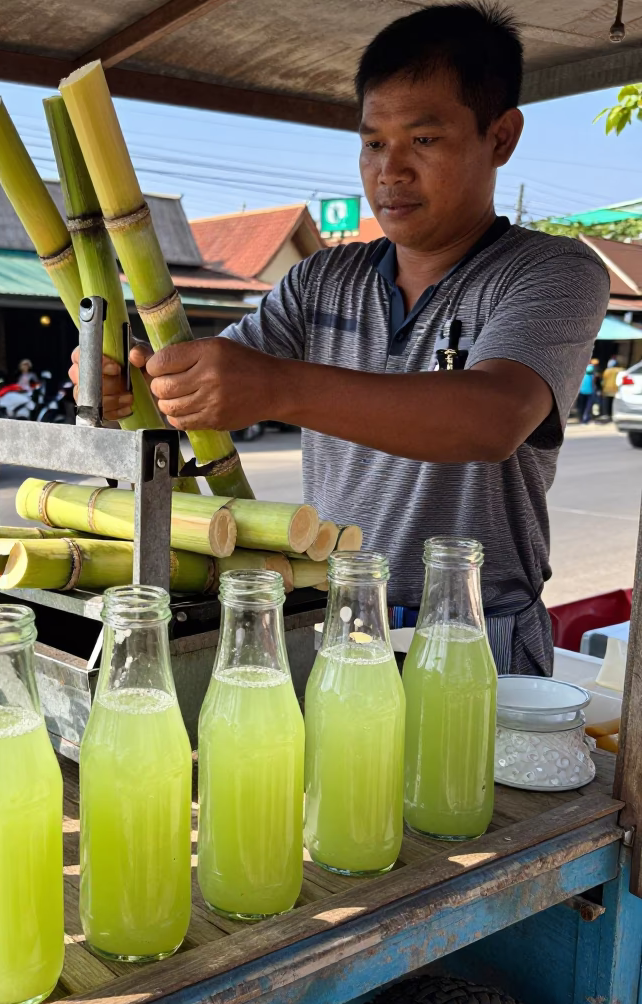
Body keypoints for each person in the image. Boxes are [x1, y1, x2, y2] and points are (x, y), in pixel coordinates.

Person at [70, 2, 608, 676]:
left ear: (501, 137)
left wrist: (275, 387)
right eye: (373, 143)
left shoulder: (551, 271)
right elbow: (210, 385)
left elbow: (493, 417)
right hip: (332, 618)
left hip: (475, 633)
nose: (391, 171)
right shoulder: (322, 279)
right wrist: (136, 381)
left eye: (424, 139)